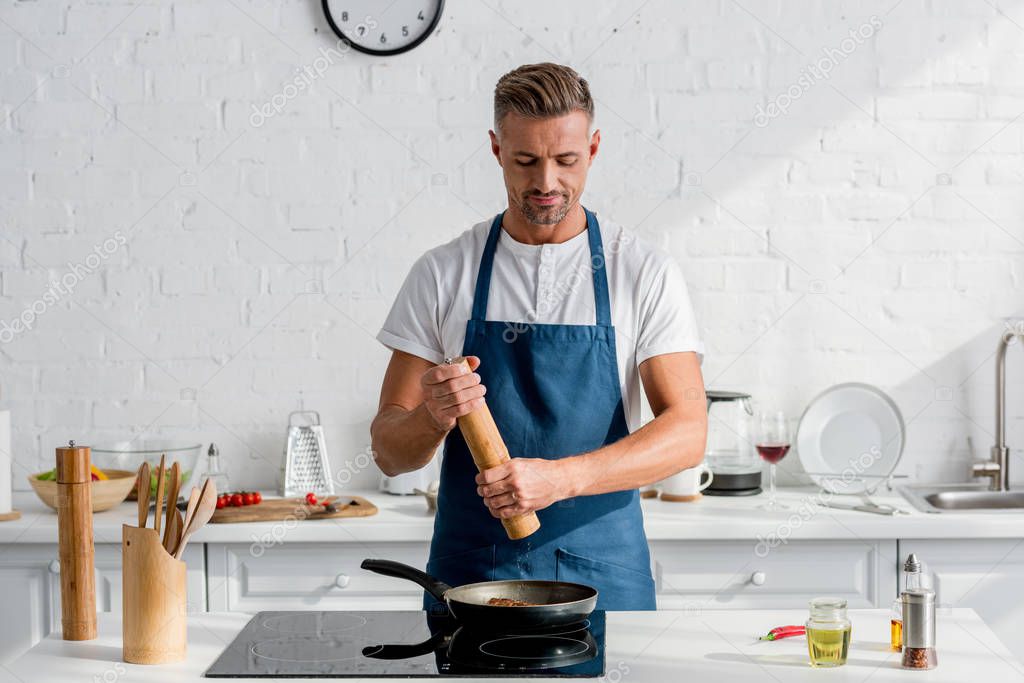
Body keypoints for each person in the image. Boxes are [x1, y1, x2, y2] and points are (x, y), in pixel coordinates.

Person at [371, 62, 707, 610]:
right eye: (526, 160)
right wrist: (432, 416)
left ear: (593, 149)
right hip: (471, 581)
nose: (547, 182)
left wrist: (561, 479)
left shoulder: (642, 271)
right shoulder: (442, 273)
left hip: (604, 578)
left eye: (566, 160)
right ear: (496, 149)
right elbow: (388, 453)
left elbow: (688, 433)